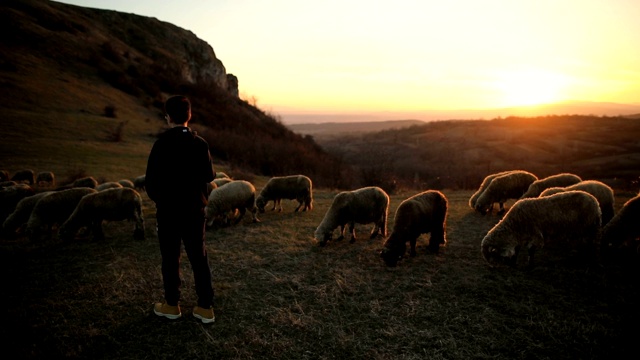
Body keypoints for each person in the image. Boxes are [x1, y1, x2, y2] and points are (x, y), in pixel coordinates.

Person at [145, 95, 216, 324]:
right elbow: (209, 176)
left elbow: (151, 182)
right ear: (189, 116)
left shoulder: (161, 144)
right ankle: (205, 307)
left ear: (168, 118)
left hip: (168, 212)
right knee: (199, 256)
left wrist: (161, 201)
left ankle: (172, 305)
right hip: (195, 211)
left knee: (170, 257)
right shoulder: (200, 143)